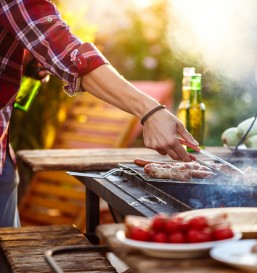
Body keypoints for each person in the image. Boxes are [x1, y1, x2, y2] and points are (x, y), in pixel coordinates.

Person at [0, 0, 198, 227]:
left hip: (3, 147)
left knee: (6, 247)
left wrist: (25, 61)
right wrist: (151, 111)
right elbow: (70, 53)